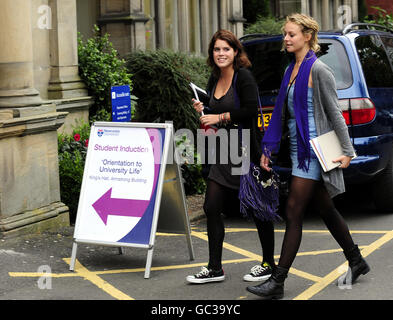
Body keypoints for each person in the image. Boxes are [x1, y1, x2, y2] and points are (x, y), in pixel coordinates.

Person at [246, 13, 370, 300]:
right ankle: (356, 260)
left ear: (307, 37)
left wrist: (348, 151)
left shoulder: (319, 70)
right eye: (285, 34)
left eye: (291, 34)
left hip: (313, 153)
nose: (286, 38)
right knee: (325, 208)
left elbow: (335, 113)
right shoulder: (292, 68)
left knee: (293, 211)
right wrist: (268, 149)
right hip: (297, 150)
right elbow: (281, 113)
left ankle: (277, 281)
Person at [186, 29, 277, 284]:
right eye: (217, 49)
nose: (221, 54)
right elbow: (212, 114)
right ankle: (215, 268)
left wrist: (219, 116)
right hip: (221, 151)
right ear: (211, 54)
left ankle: (269, 263)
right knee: (211, 207)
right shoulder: (214, 79)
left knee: (259, 210)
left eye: (226, 49)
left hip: (246, 152)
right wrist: (203, 110)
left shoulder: (244, 77)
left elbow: (249, 111)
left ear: (236, 52)